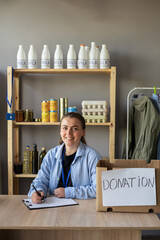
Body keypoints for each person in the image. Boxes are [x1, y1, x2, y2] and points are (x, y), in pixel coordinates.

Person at [28, 112, 102, 203]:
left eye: (75, 128)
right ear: (60, 131)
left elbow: (98, 189)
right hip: (53, 208)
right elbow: (40, 181)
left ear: (83, 132)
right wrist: (36, 192)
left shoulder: (93, 157)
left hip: (82, 208)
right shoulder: (51, 155)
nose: (69, 133)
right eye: (65, 128)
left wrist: (68, 192)